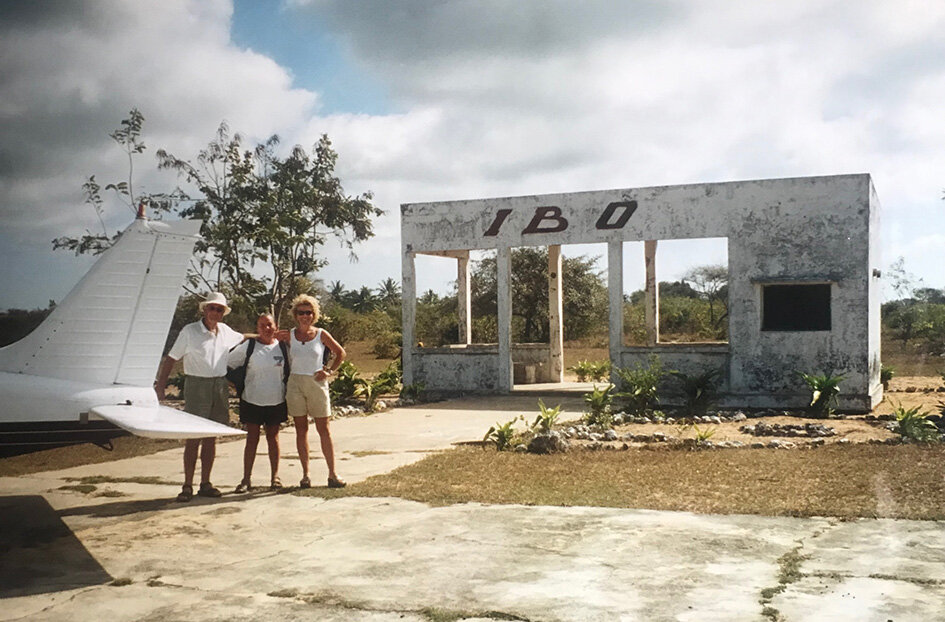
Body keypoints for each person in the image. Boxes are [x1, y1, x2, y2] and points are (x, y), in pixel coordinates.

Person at [155, 292, 245, 501]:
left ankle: (205, 483)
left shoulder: (225, 331)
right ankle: (187, 485)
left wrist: (269, 335)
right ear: (204, 309)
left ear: (223, 313)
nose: (215, 312)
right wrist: (161, 386)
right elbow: (171, 358)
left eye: (219, 309)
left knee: (211, 436)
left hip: (219, 386)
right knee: (193, 436)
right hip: (197, 386)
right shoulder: (190, 331)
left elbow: (244, 337)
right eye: (212, 308)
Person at [285, 294, 347, 488]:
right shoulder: (290, 335)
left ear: (314, 314)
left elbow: (340, 353)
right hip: (295, 383)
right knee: (301, 430)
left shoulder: (321, 334)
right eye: (301, 313)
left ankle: (332, 474)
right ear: (295, 315)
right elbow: (265, 336)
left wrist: (329, 371)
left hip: (316, 383)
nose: (305, 316)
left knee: (324, 430)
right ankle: (305, 475)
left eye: (309, 312)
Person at [227, 313, 289, 493]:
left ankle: (275, 478)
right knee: (252, 439)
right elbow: (227, 364)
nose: (266, 328)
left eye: (269, 325)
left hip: (276, 400)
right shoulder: (249, 346)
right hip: (252, 400)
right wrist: (234, 383)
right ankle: (246, 479)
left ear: (276, 326)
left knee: (273, 438)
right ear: (257, 328)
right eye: (262, 325)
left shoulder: (283, 347)